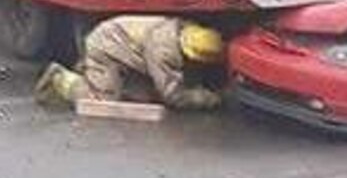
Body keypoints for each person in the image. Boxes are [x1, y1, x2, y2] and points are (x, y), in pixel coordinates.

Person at [34, 15, 225, 111]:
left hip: (128, 49)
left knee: (142, 98)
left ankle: (94, 75)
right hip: (106, 47)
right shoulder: (164, 51)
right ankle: (60, 79)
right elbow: (171, 94)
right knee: (103, 102)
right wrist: (205, 98)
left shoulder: (187, 30)